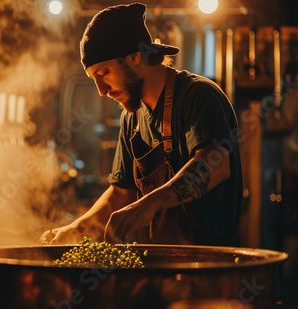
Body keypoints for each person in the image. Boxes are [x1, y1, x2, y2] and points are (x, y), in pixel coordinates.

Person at [40, 2, 242, 246]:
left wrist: (148, 204)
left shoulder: (198, 95)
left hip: (211, 266)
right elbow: (121, 193)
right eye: (94, 79)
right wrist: (76, 229)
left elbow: (216, 164)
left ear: (135, 56)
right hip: (159, 267)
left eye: (103, 73)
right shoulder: (132, 117)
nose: (101, 91)